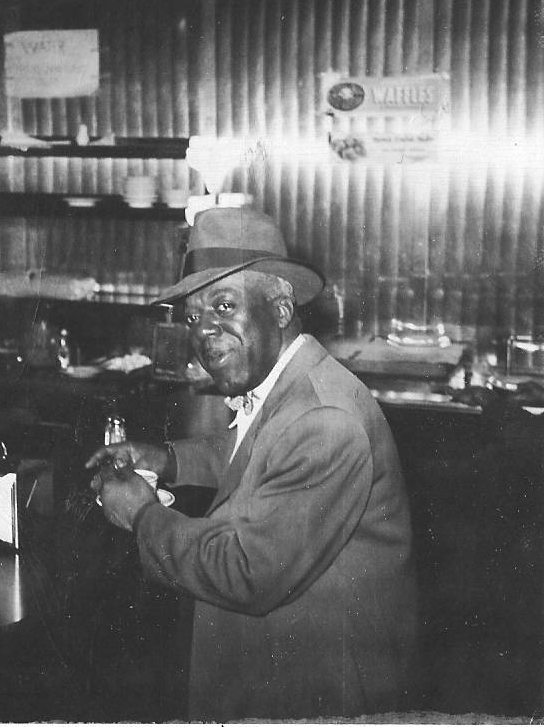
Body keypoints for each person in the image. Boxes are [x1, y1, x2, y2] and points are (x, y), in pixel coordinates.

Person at [87, 206, 418, 721]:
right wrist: (168, 459)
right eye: (193, 317)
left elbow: (246, 573)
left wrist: (141, 514)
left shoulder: (326, 419)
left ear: (281, 308)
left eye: (224, 305)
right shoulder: (292, 386)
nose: (204, 331)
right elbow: (255, 452)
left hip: (317, 692)